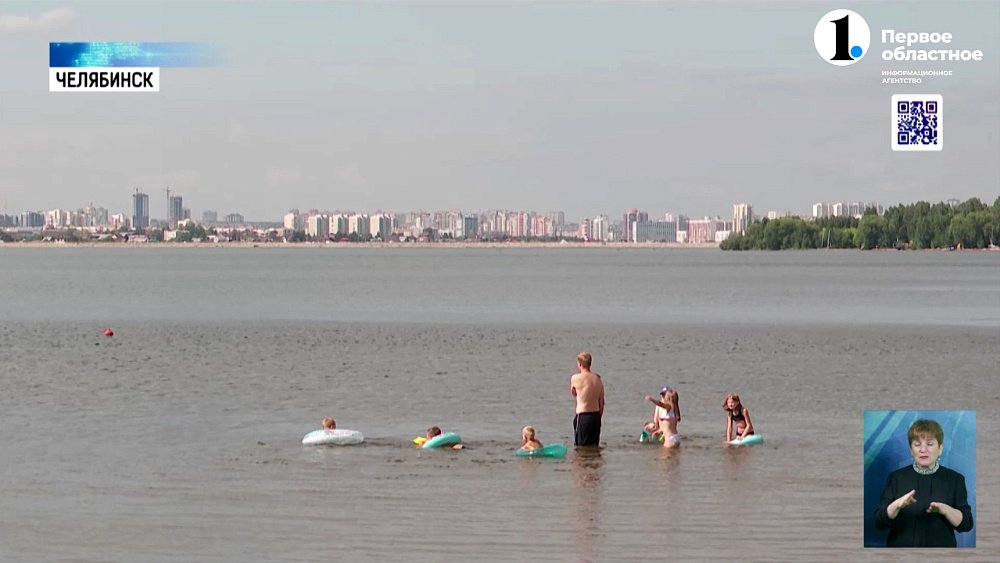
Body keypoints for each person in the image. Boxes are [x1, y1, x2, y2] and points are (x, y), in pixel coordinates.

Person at [873, 419, 974, 547]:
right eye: (917, 444)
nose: (923, 449)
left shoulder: (955, 479)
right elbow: (878, 523)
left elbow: (967, 524)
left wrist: (945, 510)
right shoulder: (896, 477)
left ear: (940, 448)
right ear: (910, 449)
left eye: (930, 444)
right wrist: (897, 505)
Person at [569, 351, 605, 446]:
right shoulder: (598, 379)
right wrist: (598, 417)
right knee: (594, 448)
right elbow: (601, 402)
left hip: (583, 416)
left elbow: (573, 393)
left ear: (579, 363)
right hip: (596, 417)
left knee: (581, 449)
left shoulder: (575, 378)